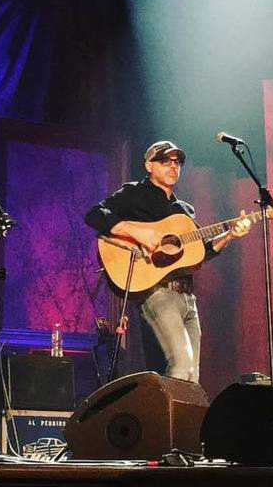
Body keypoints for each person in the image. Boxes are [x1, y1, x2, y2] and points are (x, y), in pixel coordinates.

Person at [84, 140, 251, 382]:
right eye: (165, 161)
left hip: (187, 298)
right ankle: (167, 420)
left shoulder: (184, 210)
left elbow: (199, 253)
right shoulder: (133, 194)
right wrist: (135, 231)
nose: (173, 167)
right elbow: (94, 215)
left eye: (177, 162)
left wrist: (229, 235)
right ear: (149, 165)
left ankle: (182, 420)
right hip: (157, 293)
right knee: (181, 366)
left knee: (192, 376)